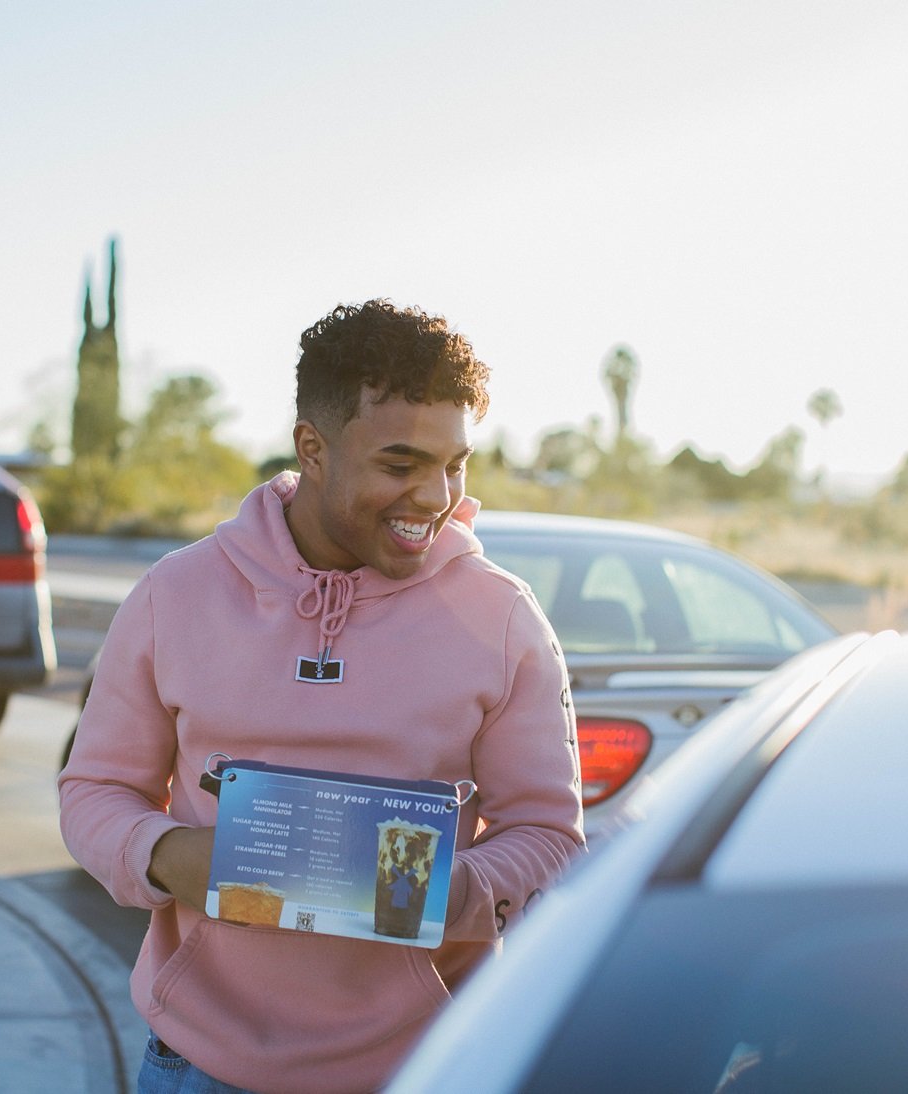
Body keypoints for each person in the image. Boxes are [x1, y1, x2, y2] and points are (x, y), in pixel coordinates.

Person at [59, 299, 585, 1094]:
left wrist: (437, 892)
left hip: (423, 1068)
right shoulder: (176, 594)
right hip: (201, 1066)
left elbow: (547, 833)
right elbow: (93, 791)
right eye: (399, 464)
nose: (434, 495)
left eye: (454, 463)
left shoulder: (501, 618)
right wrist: (167, 856)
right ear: (312, 447)